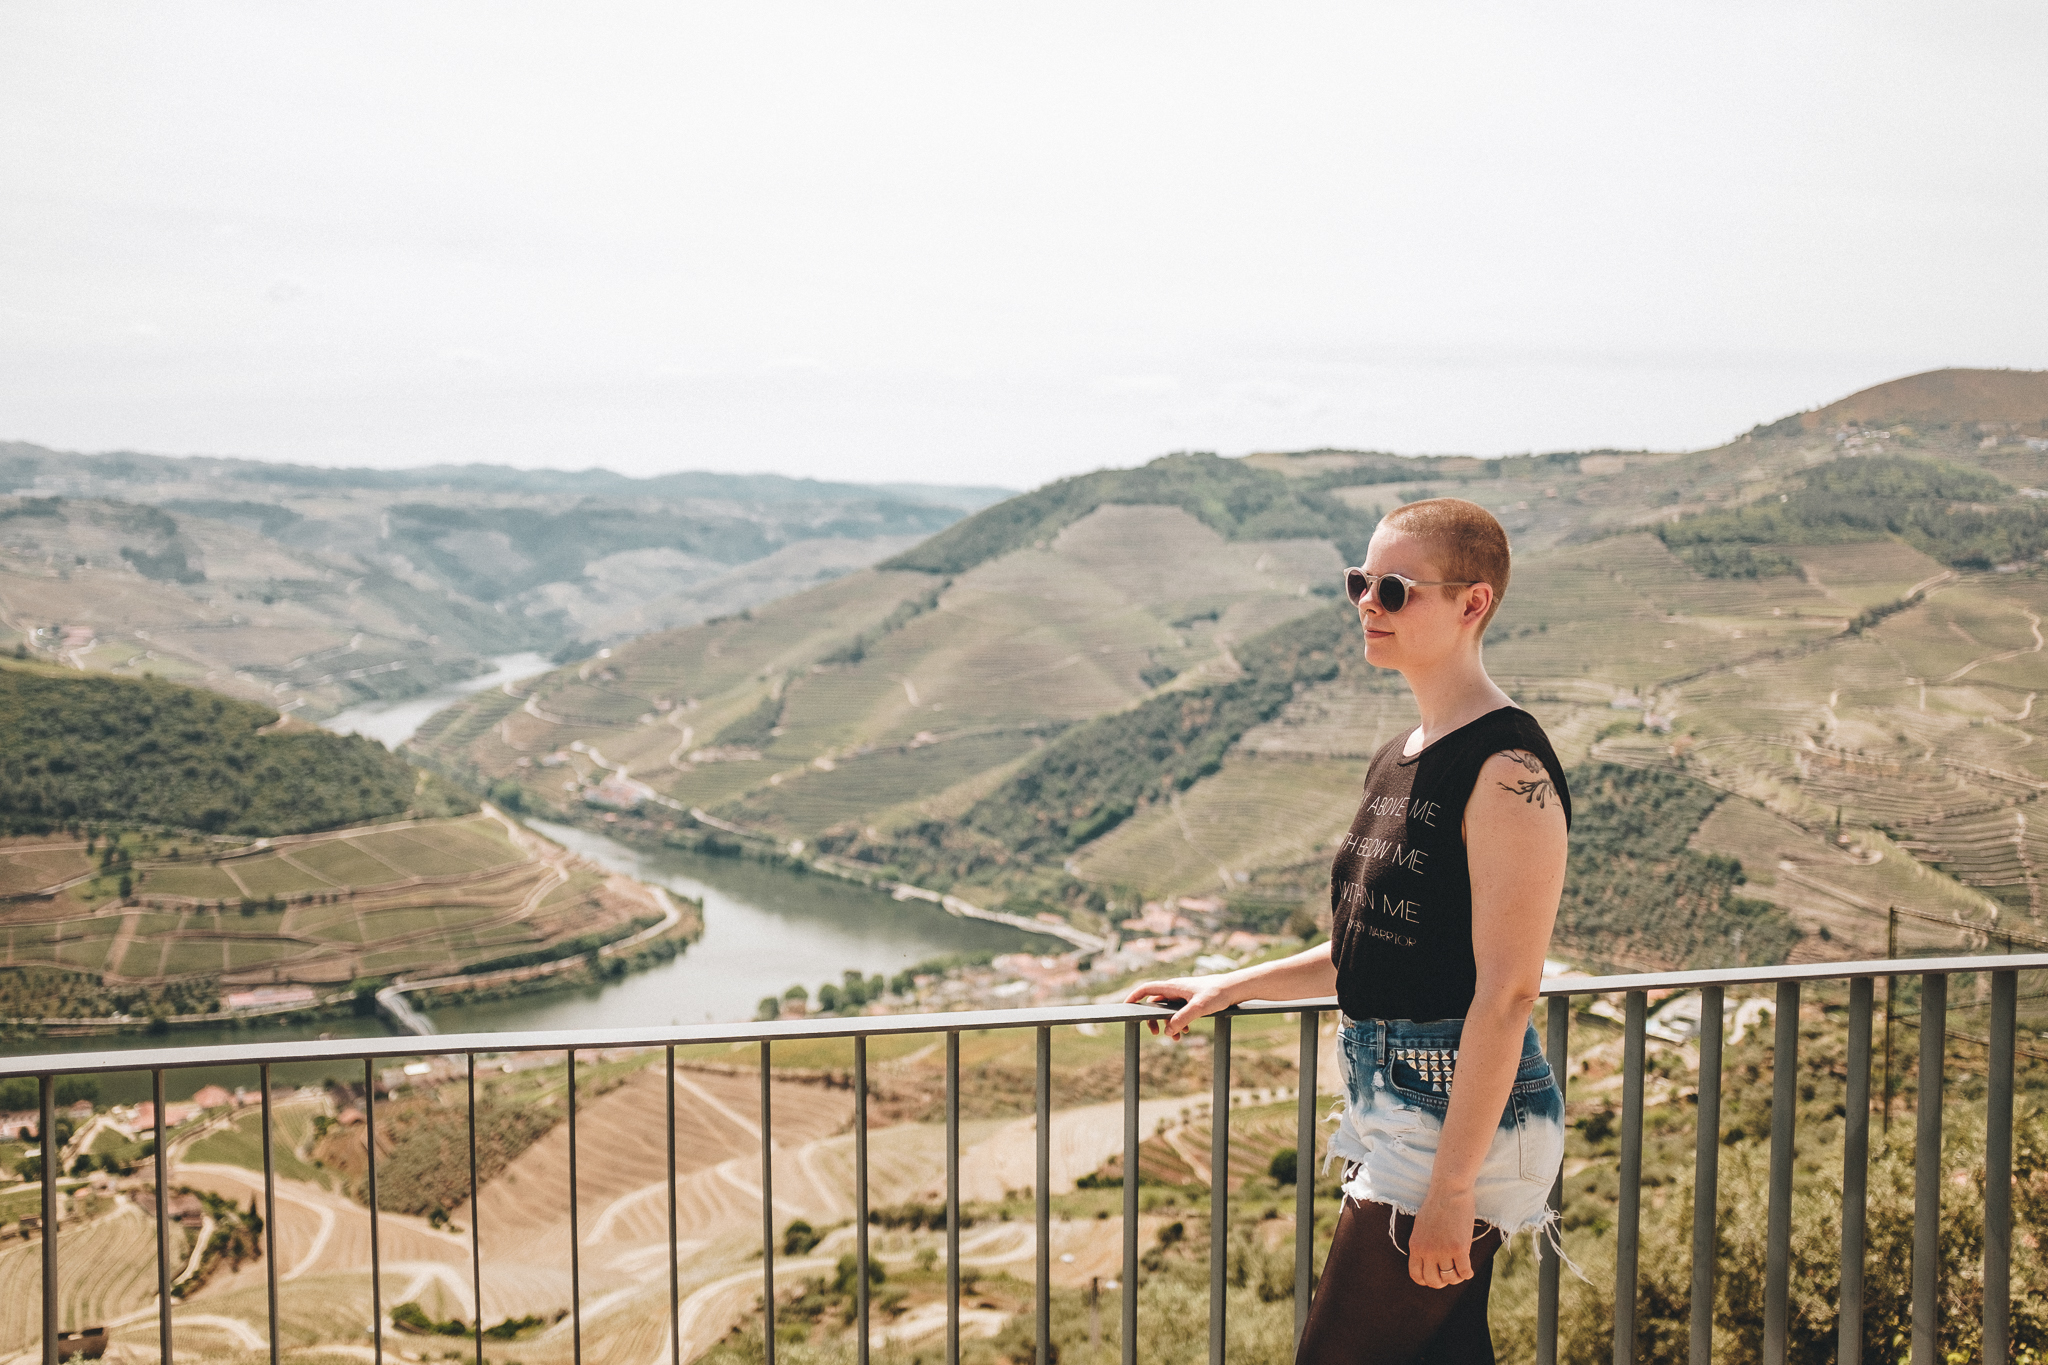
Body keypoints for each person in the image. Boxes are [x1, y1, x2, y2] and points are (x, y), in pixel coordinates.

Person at [1124, 497, 1570, 1365]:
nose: (1368, 603)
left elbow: (1509, 988)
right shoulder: (1404, 752)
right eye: (1360, 582)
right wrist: (1235, 985)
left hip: (1455, 1122)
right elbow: (1378, 944)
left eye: (1395, 588)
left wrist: (1448, 1188)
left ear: (1472, 603)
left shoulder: (1507, 768)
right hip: (1399, 1108)